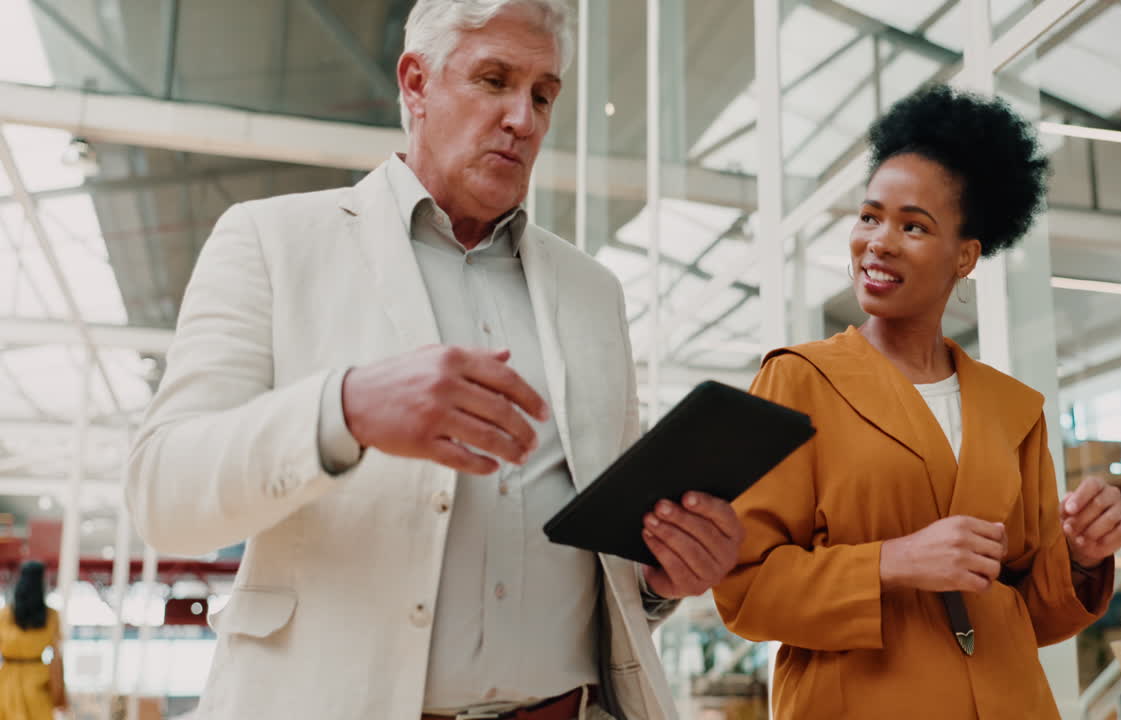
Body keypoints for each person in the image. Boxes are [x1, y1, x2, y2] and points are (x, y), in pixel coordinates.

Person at [125, 1, 743, 718]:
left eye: (543, 94)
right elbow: (162, 494)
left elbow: (603, 573)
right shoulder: (273, 242)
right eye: (494, 80)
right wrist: (345, 409)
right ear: (415, 84)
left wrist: (665, 572)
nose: (525, 118)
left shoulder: (592, 294)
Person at [712, 85, 1121, 719]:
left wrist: (1077, 556)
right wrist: (892, 562)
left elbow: (1024, 610)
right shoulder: (799, 383)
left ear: (965, 256)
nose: (878, 242)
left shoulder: (1014, 411)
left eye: (913, 226)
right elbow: (744, 589)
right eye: (869, 216)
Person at [0, 561, 66, 720]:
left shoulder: (5, 615)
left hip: (8, 681)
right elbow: (56, 657)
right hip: (38, 681)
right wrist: (61, 693)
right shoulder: (51, 616)